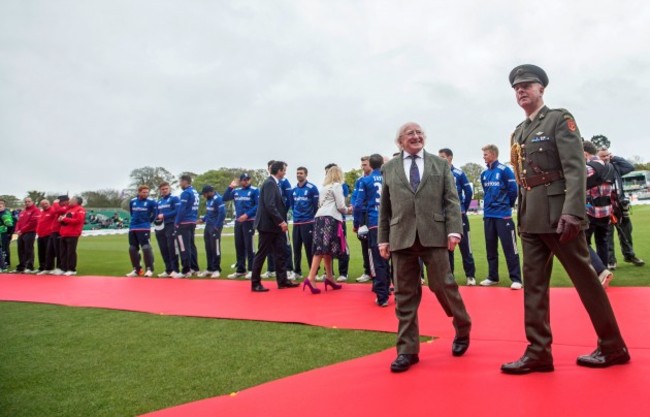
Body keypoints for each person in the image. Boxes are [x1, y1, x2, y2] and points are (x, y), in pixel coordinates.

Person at [502, 64, 629, 374]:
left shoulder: (559, 119)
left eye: (527, 85)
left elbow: (574, 169)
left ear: (541, 89)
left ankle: (613, 346)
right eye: (517, 87)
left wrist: (573, 211)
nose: (521, 90)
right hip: (531, 217)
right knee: (533, 287)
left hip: (561, 216)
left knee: (587, 282)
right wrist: (521, 214)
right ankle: (538, 352)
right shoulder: (519, 131)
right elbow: (524, 179)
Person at [378, 122, 472, 373]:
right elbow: (385, 208)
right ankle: (407, 350)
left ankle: (463, 327)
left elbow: (451, 199)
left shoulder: (440, 165)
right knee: (404, 295)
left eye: (420, 133)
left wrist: (454, 230)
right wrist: (383, 238)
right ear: (399, 141)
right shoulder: (389, 168)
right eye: (410, 133)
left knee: (443, 285)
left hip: (434, 234)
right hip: (401, 237)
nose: (416, 136)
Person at [249, 161, 300, 292]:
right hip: (267, 226)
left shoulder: (274, 184)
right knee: (261, 254)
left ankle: (282, 281)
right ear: (278, 171)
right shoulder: (270, 184)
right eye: (284, 170)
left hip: (274, 226)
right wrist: (281, 221)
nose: (285, 173)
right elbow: (270, 205)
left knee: (280, 253)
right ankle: (255, 283)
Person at [479, 144, 523, 290]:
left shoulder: (505, 171)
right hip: (488, 216)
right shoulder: (484, 174)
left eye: (485, 154)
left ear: (492, 154)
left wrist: (506, 206)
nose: (484, 157)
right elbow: (486, 191)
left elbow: (513, 191)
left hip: (503, 216)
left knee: (510, 248)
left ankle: (516, 278)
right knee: (490, 248)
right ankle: (492, 277)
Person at [302, 165, 348, 294]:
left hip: (319, 218)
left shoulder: (324, 188)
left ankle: (329, 277)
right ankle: (311, 277)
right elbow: (340, 206)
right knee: (322, 249)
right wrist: (348, 210)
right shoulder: (337, 186)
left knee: (324, 248)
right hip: (330, 218)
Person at [597, 146, 645, 269]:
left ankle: (629, 255)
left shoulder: (616, 167)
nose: (606, 158)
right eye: (603, 156)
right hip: (605, 204)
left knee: (626, 231)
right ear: (597, 157)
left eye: (608, 155)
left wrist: (615, 158)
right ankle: (611, 261)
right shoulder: (596, 169)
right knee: (607, 234)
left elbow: (630, 167)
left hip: (620, 204)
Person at [354, 153, 390, 306]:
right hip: (391, 222)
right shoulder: (389, 178)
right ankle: (391, 290)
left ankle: (382, 296)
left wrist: (357, 224)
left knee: (377, 260)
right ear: (382, 163)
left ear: (370, 164)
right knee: (392, 258)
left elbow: (357, 204)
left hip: (375, 223)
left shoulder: (365, 180)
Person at [439, 148, 477, 286]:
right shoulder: (437, 174)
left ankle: (470, 276)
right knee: (447, 248)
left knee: (465, 247)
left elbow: (468, 192)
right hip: (444, 217)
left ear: (450, 158)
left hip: (459, 215)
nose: (440, 159)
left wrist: (463, 209)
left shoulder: (459, 173)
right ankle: (450, 277)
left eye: (442, 157)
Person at [264, 160, 296, 280]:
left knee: (285, 244)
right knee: (270, 245)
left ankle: (289, 269)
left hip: (280, 218)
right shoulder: (268, 182)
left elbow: (288, 199)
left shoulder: (284, 182)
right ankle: (271, 269)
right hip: (271, 220)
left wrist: (282, 213)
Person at [223, 173, 259, 279]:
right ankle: (241, 269)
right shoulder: (236, 191)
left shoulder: (254, 190)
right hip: (238, 221)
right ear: (240, 181)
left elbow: (258, 205)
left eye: (247, 179)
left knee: (250, 246)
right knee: (239, 245)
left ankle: (252, 270)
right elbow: (224, 198)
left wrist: (247, 215)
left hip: (249, 221)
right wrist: (230, 187)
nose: (246, 181)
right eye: (244, 180)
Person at [291, 166, 320, 279]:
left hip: (308, 222)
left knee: (309, 248)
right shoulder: (293, 189)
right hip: (296, 223)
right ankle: (297, 272)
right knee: (296, 249)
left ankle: (314, 272)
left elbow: (315, 206)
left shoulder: (312, 188)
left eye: (301, 173)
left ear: (306, 174)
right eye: (297, 173)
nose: (299, 175)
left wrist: (312, 219)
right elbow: (293, 206)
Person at [126, 185, 157, 277]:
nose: (146, 194)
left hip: (144, 228)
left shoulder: (151, 202)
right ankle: (137, 270)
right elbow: (132, 213)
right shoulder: (133, 201)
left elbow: (155, 214)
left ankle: (149, 269)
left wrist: (147, 222)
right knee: (132, 249)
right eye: (144, 192)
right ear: (139, 192)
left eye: (147, 192)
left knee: (146, 248)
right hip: (133, 228)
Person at [174, 175, 200, 278]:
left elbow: (182, 209)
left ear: (185, 182)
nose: (180, 184)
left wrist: (177, 222)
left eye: (180, 182)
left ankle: (186, 270)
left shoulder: (186, 193)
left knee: (184, 247)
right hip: (192, 221)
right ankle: (194, 268)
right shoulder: (195, 192)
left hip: (184, 222)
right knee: (191, 245)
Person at [197, 185, 226, 278]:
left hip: (215, 227)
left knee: (215, 248)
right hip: (208, 226)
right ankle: (210, 268)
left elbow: (222, 213)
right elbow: (209, 213)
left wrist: (217, 226)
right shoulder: (209, 200)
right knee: (208, 248)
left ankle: (216, 269)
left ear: (209, 192)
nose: (203, 196)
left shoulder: (218, 199)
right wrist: (203, 219)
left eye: (204, 194)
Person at [353, 156, 373, 283]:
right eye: (362, 165)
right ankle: (367, 271)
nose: (363, 167)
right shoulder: (359, 180)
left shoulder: (376, 178)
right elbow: (356, 198)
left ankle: (381, 272)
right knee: (364, 243)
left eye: (365, 164)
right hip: (362, 216)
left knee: (377, 244)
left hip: (373, 215)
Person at [154, 182, 180, 277]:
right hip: (161, 227)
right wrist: (156, 219)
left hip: (171, 225)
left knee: (172, 248)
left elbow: (177, 210)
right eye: (162, 189)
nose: (164, 190)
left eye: (166, 188)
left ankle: (175, 270)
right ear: (160, 191)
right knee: (163, 248)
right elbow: (157, 214)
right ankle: (168, 269)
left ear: (169, 189)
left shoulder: (174, 198)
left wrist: (164, 215)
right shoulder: (159, 201)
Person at [58, 196, 86, 276]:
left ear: (76, 201)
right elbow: (66, 221)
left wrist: (64, 219)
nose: (69, 201)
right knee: (63, 252)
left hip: (73, 233)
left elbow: (78, 221)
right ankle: (63, 268)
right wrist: (61, 219)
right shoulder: (69, 210)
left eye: (72, 199)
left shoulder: (80, 209)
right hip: (64, 233)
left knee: (71, 252)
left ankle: (72, 269)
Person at [14, 197, 40, 273]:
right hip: (21, 233)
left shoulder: (36, 210)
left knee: (28, 249)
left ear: (32, 202)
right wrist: (17, 230)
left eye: (29, 201)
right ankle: (21, 266)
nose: (27, 203)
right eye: (26, 201)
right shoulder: (23, 211)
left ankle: (29, 267)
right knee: (20, 250)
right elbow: (18, 222)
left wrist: (21, 230)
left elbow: (33, 223)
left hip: (30, 232)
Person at [47, 196, 70, 275]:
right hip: (54, 230)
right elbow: (54, 212)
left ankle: (60, 267)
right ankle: (53, 267)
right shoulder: (59, 207)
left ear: (66, 201)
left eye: (61, 201)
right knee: (51, 250)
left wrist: (55, 203)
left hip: (59, 231)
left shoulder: (67, 207)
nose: (59, 203)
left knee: (59, 250)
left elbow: (58, 210)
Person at [35, 199, 58, 274]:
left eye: (46, 203)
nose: (45, 205)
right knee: (41, 252)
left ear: (49, 203)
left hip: (49, 235)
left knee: (49, 252)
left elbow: (57, 216)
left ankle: (49, 267)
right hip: (40, 235)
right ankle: (42, 267)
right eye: (43, 204)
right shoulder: (41, 212)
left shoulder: (52, 211)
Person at [0, 199, 14, 271]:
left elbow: (10, 224)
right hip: (2, 233)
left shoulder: (5, 213)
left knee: (4, 249)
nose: (0, 205)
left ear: (4, 205)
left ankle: (5, 264)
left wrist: (9, 234)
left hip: (5, 233)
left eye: (1, 203)